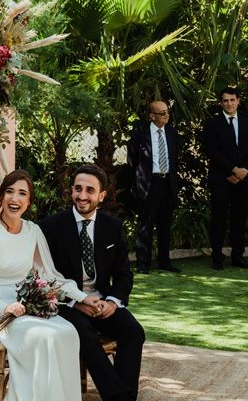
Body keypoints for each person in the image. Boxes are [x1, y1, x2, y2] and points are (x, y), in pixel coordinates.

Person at [0, 169, 102, 401]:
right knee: (45, 337)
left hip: (25, 307)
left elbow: (49, 275)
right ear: (1, 197)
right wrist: (4, 307)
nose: (14, 199)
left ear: (29, 201)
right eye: (9, 192)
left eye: (21, 193)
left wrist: (81, 297)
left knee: (68, 332)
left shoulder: (33, 231)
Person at [39, 164, 145, 401]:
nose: (82, 196)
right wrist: (77, 302)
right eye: (78, 189)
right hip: (67, 305)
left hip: (103, 301)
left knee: (134, 331)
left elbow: (123, 273)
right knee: (84, 334)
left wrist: (113, 302)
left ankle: (123, 395)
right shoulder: (51, 227)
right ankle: (119, 397)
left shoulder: (113, 227)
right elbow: (45, 276)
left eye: (89, 190)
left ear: (102, 195)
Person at [127, 100, 180, 274]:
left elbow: (174, 159)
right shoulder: (140, 134)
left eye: (167, 112)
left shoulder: (172, 133)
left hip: (167, 183)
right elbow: (132, 162)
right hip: (149, 184)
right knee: (146, 225)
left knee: (166, 224)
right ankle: (143, 263)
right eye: (162, 113)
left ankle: (165, 261)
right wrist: (137, 184)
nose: (167, 115)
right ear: (152, 116)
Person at [202, 86, 248, 270]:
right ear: (221, 103)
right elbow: (212, 151)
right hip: (221, 179)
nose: (229, 103)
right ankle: (217, 258)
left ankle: (238, 256)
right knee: (218, 219)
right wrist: (232, 170)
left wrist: (243, 171)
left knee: (240, 218)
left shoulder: (246, 122)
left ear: (238, 101)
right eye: (225, 100)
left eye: (232, 99)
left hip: (244, 179)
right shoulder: (212, 124)